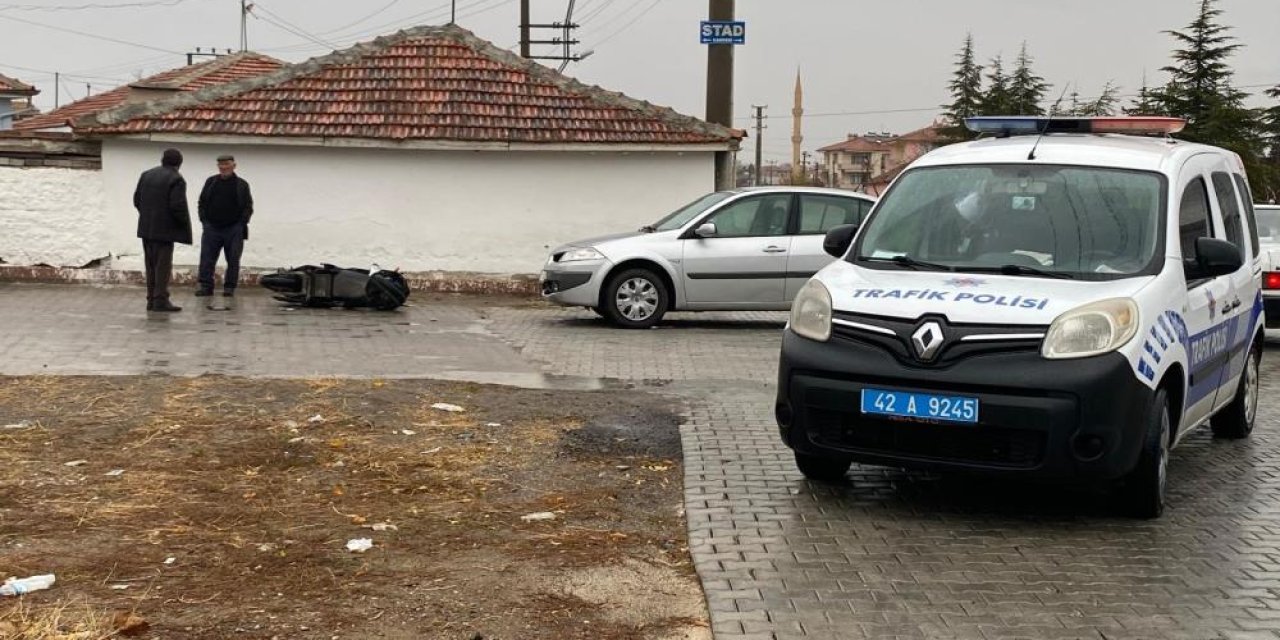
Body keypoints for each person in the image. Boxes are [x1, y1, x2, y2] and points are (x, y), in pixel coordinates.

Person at [133, 148, 192, 312]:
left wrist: (148, 215)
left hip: (146, 228)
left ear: (162, 160)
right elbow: (177, 206)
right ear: (179, 163)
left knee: (150, 265)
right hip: (165, 231)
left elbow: (137, 200)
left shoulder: (146, 175)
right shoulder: (176, 179)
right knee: (162, 266)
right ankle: (160, 300)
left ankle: (151, 299)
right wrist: (181, 224)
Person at [196, 154, 254, 297]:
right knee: (207, 258)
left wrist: (241, 223)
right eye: (220, 165)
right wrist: (204, 221)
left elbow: (248, 206)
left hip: (234, 228)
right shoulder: (210, 182)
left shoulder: (242, 185)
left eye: (226, 164)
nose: (223, 167)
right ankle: (206, 287)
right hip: (212, 228)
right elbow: (202, 203)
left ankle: (229, 288)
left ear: (234, 165)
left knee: (233, 259)